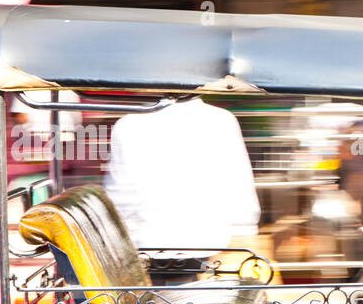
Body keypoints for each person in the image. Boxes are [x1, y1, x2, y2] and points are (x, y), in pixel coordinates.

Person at [104, 96, 260, 255]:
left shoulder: (128, 125)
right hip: (211, 249)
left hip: (147, 249)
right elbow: (241, 195)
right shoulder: (222, 120)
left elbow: (119, 200)